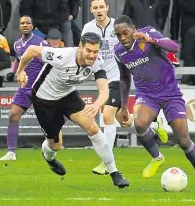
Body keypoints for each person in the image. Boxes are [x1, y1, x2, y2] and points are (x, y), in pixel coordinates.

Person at [113, 15, 195, 191]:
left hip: (170, 93)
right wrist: (123, 106)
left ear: (133, 29)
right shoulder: (118, 51)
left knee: (184, 141)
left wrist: (151, 41)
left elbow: (174, 47)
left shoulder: (148, 33)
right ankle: (157, 157)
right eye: (118, 35)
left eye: (125, 33)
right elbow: (124, 78)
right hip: (147, 95)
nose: (123, 38)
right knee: (139, 123)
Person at [15, 32, 129, 188]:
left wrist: (96, 105)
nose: (92, 55)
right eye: (88, 50)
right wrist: (20, 71)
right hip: (44, 99)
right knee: (55, 145)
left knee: (93, 128)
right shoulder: (61, 55)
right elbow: (32, 50)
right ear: (80, 47)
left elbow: (104, 91)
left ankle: (114, 172)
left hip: (68, 95)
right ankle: (49, 157)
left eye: (95, 52)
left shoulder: (97, 62)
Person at [82, 0, 168, 176]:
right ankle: (154, 124)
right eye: (95, 8)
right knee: (123, 120)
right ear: (91, 10)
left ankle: (107, 162)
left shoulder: (118, 27)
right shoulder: (87, 29)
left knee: (107, 116)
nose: (98, 11)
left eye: (101, 7)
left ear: (107, 8)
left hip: (117, 76)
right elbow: (84, 51)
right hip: (101, 79)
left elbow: (130, 47)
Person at [0, 15, 48, 161]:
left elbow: (49, 64)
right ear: (19, 26)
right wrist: (14, 72)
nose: (25, 25)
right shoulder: (17, 44)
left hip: (40, 88)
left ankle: (51, 151)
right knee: (13, 116)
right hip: (24, 88)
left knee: (48, 121)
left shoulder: (41, 43)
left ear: (32, 26)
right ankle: (11, 153)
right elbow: (18, 61)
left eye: (28, 23)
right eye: (22, 23)